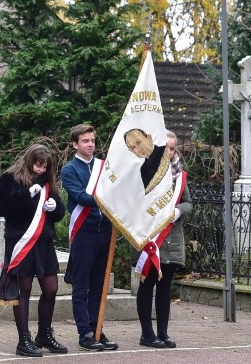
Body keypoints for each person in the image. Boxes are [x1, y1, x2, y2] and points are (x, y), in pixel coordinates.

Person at [0, 144, 67, 357]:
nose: (40, 170)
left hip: (43, 243)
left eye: (45, 166)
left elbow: (59, 212)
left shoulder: (47, 182)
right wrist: (25, 196)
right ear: (29, 160)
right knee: (23, 290)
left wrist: (55, 208)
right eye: (38, 165)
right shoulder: (11, 178)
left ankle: (44, 334)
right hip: (21, 242)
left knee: (51, 288)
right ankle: (23, 339)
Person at [60, 124, 119, 351]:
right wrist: (108, 200)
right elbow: (81, 197)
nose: (91, 145)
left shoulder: (104, 167)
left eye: (93, 140)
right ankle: (84, 332)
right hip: (84, 232)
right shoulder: (69, 170)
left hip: (105, 232)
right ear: (75, 144)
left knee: (99, 285)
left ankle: (97, 329)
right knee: (81, 285)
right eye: (85, 141)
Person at [132, 130, 192, 348]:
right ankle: (147, 334)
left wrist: (177, 212)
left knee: (165, 288)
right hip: (150, 239)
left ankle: (163, 332)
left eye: (173, 148)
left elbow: (188, 203)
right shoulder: (144, 171)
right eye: (165, 147)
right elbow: (135, 201)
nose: (169, 152)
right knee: (147, 286)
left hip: (171, 238)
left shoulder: (180, 174)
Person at [123, 127, 168, 194]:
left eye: (139, 142)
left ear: (149, 138)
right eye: (133, 147)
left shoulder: (166, 151)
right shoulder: (143, 169)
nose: (138, 149)